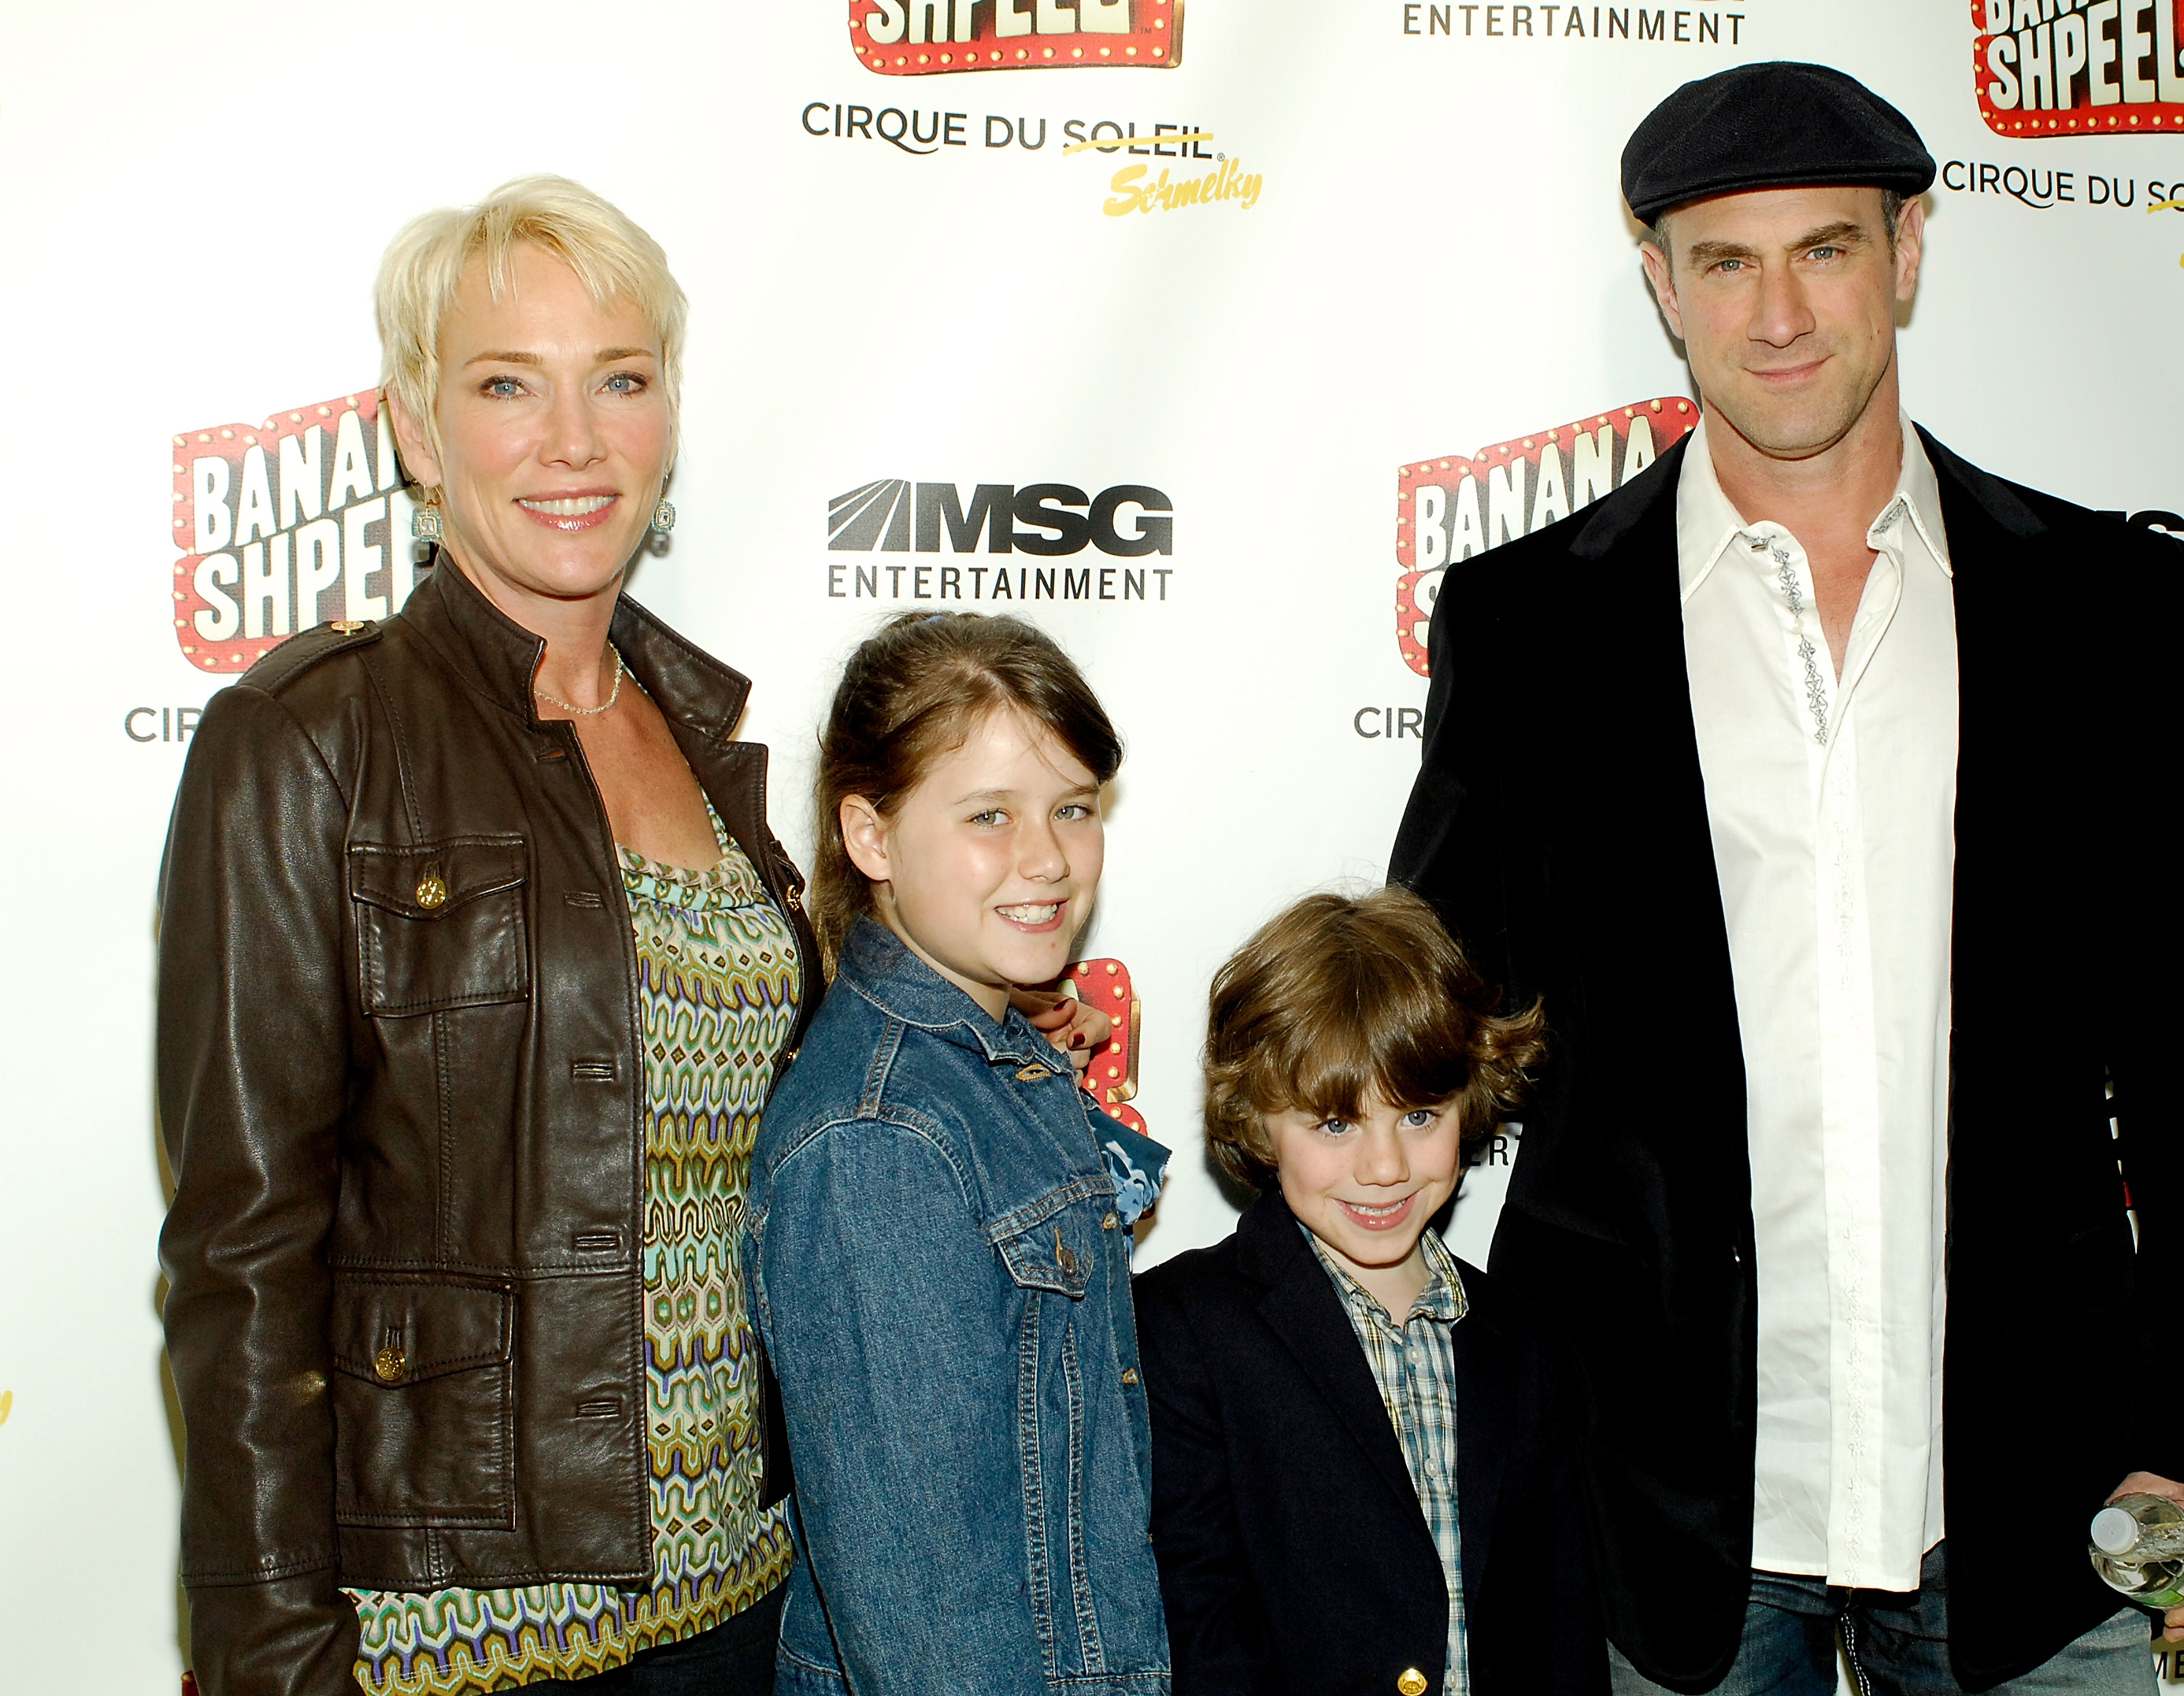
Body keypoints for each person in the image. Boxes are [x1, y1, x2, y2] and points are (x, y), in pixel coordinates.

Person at [1389, 61, 2184, 1696]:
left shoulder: (2101, 607)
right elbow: (1428, 1043)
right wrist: (1381, 1390)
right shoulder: (1529, 628)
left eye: (1824, 249)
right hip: (1650, 1513)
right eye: (1727, 263)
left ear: (1910, 253)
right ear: (1662, 285)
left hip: (2042, 1509)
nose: (1781, 312)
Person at [154, 177, 1092, 1696]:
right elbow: (241, 1251)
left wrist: (973, 1032)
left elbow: (773, 1111)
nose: (574, 441)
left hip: (753, 1596)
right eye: (507, 384)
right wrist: (269, 1651)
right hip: (450, 1629)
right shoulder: (311, 738)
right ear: (414, 426)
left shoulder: (704, 735)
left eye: (622, 380)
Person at [746, 611, 1171, 1696]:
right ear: (872, 835)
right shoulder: (882, 1138)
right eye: (989, 815)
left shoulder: (999, 1063)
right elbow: (928, 1626)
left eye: (1073, 808)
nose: (1049, 860)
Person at [1134, 888, 1607, 1696]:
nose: (1385, 1167)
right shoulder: (1182, 1332)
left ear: (1471, 1101)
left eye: (1420, 1116)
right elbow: (1195, 1634)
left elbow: (1563, 1636)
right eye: (1335, 1125)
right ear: (1256, 1123)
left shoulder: (1527, 1346)